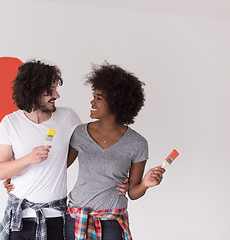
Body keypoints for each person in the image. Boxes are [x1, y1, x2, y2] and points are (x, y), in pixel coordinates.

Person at [65, 63, 165, 240]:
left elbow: (133, 192)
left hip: (112, 221)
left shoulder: (137, 143)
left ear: (116, 103)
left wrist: (144, 184)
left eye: (99, 98)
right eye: (93, 96)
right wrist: (21, 175)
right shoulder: (79, 133)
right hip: (76, 217)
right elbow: (59, 167)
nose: (92, 101)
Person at [0, 60, 83, 240]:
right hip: (20, 218)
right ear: (32, 91)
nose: (56, 95)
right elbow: (1, 171)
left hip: (55, 218)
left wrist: (58, 166)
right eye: (50, 90)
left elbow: (81, 147)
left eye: (56, 88)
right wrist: (28, 159)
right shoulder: (10, 123)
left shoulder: (68, 118)